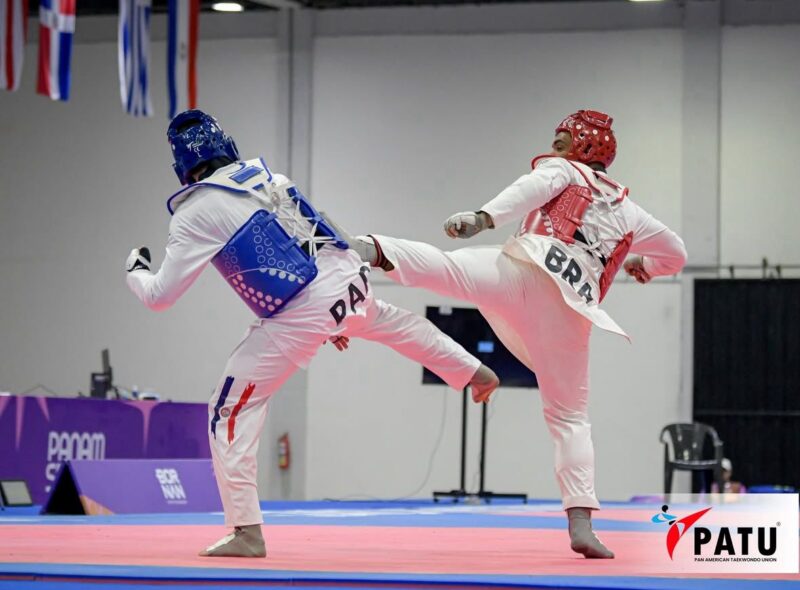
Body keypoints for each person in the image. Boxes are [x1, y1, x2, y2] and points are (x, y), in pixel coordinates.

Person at [125, 109, 499, 558]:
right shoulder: (271, 177)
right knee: (395, 324)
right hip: (347, 278)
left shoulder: (194, 213)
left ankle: (246, 531)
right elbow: (314, 234)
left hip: (301, 311)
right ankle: (473, 370)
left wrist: (135, 272)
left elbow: (161, 296)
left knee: (229, 410)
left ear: (182, 166)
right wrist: (334, 316)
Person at [331, 110, 688, 559]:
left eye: (562, 141)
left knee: (447, 269)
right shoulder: (634, 213)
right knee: (570, 418)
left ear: (584, 148)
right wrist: (644, 264)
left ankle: (367, 248)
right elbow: (677, 254)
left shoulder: (563, 169)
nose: (554, 147)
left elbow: (530, 188)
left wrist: (484, 218)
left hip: (524, 272)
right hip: (570, 314)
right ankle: (581, 522)